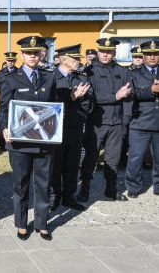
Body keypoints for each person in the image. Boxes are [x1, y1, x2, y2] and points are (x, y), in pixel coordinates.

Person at [0, 36, 56, 241]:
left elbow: (55, 108)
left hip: (43, 142)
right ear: (22, 54)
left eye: (36, 52)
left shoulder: (50, 77)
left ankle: (42, 223)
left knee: (43, 184)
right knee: (20, 184)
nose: (33, 56)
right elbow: (4, 108)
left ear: (41, 54)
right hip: (20, 142)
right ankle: (22, 223)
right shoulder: (10, 78)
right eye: (28, 53)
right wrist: (4, 127)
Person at [79, 38, 132, 202]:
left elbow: (130, 97)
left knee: (113, 158)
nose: (105, 54)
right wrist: (115, 96)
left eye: (109, 52)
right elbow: (91, 96)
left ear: (114, 53)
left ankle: (111, 188)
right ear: (98, 51)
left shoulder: (124, 72)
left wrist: (126, 120)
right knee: (90, 156)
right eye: (102, 51)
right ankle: (85, 188)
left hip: (116, 122)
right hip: (96, 122)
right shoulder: (89, 71)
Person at [50, 44, 93, 212]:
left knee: (72, 164)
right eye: (75, 59)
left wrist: (80, 98)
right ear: (64, 60)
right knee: (55, 164)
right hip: (56, 127)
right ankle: (54, 197)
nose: (78, 62)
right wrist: (72, 97)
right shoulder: (51, 77)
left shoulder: (81, 78)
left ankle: (69, 197)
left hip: (75, 127)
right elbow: (50, 103)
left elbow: (89, 104)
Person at [125, 40, 159, 198]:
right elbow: (131, 94)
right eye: (148, 54)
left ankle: (157, 185)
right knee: (135, 157)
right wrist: (150, 90)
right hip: (140, 122)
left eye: (155, 54)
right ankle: (133, 186)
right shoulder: (134, 73)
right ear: (143, 56)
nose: (152, 57)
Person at [0, 52, 18, 151]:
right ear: (6, 61)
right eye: (9, 61)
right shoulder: (1, 73)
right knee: (3, 120)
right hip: (4, 98)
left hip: (15, 99)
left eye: (12, 61)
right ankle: (2, 143)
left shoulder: (18, 72)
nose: (10, 63)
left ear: (15, 61)